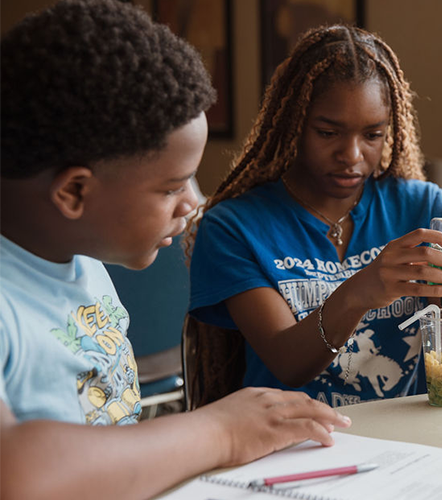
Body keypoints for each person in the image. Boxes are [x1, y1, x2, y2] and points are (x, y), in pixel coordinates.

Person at [0, 2, 351, 499]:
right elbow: (14, 470)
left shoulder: (80, 261)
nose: (195, 202)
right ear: (74, 193)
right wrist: (222, 431)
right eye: (171, 187)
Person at [186, 25, 442, 408]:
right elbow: (288, 363)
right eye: (328, 133)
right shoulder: (234, 226)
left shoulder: (421, 208)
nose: (351, 154)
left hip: (408, 442)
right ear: (292, 123)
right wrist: (359, 292)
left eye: (373, 135)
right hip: (294, 443)